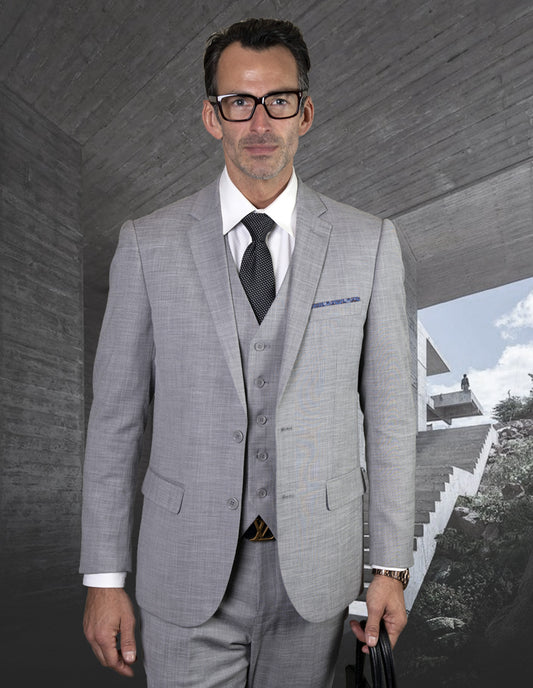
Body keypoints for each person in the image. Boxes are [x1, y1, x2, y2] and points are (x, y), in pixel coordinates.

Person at [81, 17, 416, 688]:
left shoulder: (368, 241)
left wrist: (388, 567)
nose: (258, 122)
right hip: (183, 572)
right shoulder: (148, 244)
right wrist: (103, 576)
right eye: (238, 101)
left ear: (305, 112)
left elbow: (389, 415)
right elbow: (115, 419)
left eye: (278, 100)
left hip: (315, 575)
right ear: (213, 117)